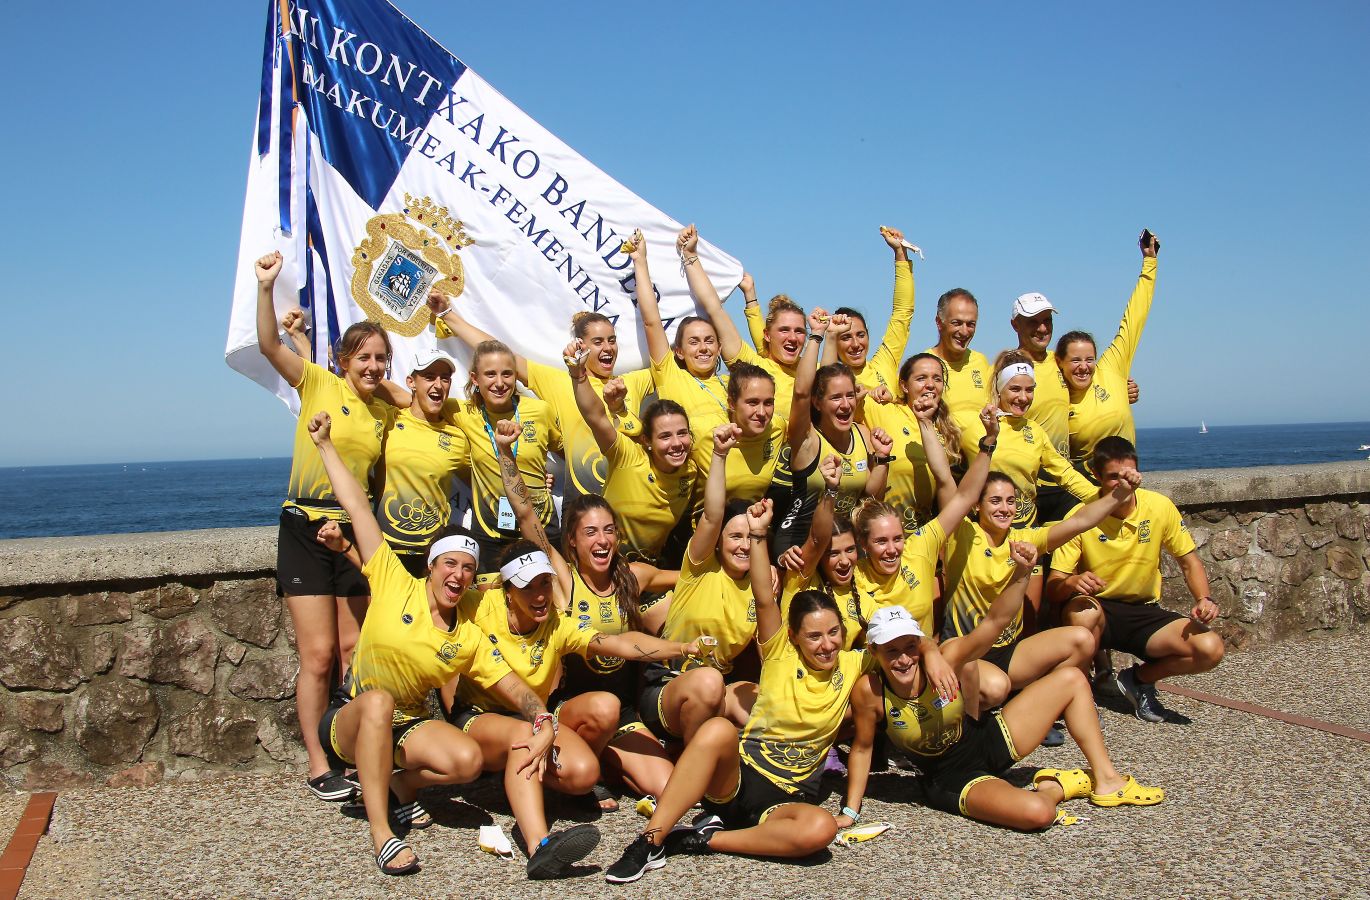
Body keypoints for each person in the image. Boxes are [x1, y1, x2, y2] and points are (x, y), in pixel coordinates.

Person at [305, 412, 561, 877]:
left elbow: (511, 684)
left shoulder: (467, 633)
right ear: (430, 565)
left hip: (407, 725)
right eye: (449, 564)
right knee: (379, 702)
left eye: (467, 567)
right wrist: (325, 445)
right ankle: (383, 833)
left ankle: (395, 785)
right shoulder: (391, 580)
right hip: (352, 718)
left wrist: (541, 716)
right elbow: (359, 510)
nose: (458, 575)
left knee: (468, 760)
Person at [602, 498, 877, 882]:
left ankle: (706, 840)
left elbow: (906, 651)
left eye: (833, 633)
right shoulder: (780, 651)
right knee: (718, 730)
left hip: (786, 800)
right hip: (740, 779)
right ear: (794, 636)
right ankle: (650, 842)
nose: (826, 644)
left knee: (821, 831)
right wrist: (760, 534)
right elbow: (765, 596)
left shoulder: (854, 664)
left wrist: (929, 650)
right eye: (814, 636)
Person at [450, 541, 702, 874]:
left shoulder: (557, 622)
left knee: (584, 773)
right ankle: (540, 846)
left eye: (545, 582)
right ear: (508, 589)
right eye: (527, 585)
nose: (540, 594)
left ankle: (524, 783)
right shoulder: (480, 605)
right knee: (526, 732)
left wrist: (681, 647)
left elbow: (617, 643)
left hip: (532, 714)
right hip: (481, 716)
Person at [846, 573, 1163, 832]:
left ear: (919, 644)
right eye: (891, 651)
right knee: (1039, 813)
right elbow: (862, 748)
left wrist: (1023, 572)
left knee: (1072, 680)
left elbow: (994, 623)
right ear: (874, 652)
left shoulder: (941, 662)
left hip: (987, 737)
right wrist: (850, 811)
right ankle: (1055, 785)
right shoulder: (870, 692)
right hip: (953, 779)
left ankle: (1107, 780)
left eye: (910, 647)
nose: (903, 659)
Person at [254, 250, 394, 802]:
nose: (374, 367)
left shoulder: (384, 410)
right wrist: (266, 289)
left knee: (356, 648)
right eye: (364, 357)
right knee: (316, 656)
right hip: (304, 528)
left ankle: (356, 748)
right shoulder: (317, 382)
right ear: (344, 360)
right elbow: (269, 346)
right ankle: (318, 761)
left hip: (354, 534)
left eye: (382, 359)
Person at [491, 418, 678, 807]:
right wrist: (506, 453)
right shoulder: (563, 580)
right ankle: (586, 768)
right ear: (572, 541)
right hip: (577, 711)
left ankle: (608, 758)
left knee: (668, 788)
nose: (602, 540)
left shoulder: (633, 576)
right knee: (602, 709)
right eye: (591, 532)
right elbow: (526, 515)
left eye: (609, 530)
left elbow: (691, 577)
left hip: (622, 713)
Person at [1048, 436, 1225, 722]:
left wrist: (1203, 599)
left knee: (1210, 648)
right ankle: (1079, 696)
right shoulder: (1081, 515)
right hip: (1098, 608)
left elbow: (1189, 562)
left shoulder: (1159, 506)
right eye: (1113, 477)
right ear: (1096, 476)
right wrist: (1072, 583)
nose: (1122, 484)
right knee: (1082, 614)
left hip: (1144, 610)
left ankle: (1139, 679)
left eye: (1128, 475)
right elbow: (1055, 586)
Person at [941, 466, 1143, 713]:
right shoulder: (961, 533)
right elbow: (944, 479)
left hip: (1008, 651)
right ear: (976, 506)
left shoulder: (1024, 537)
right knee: (996, 688)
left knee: (1081, 640)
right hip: (966, 651)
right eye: (995, 501)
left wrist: (1119, 494)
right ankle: (969, 724)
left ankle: (1037, 710)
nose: (1004, 508)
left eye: (1010, 501)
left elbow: (1080, 522)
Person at [428, 291, 652, 499]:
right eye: (598, 342)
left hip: (633, 496)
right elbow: (499, 352)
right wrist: (448, 315)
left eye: (611, 340)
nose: (608, 348)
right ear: (580, 345)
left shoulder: (632, 382)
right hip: (583, 504)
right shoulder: (561, 382)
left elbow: (662, 352)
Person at [641, 425, 774, 741]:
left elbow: (769, 655)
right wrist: (719, 453)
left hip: (719, 688)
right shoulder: (700, 566)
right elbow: (713, 516)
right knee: (709, 683)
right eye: (735, 536)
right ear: (718, 542)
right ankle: (694, 765)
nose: (743, 545)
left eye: (750, 536)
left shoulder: (761, 588)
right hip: (669, 683)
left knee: (770, 709)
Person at [851, 403, 1000, 637]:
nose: (892, 549)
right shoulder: (852, 576)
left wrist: (989, 441)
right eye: (881, 541)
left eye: (898, 539)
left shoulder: (919, 547)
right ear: (862, 543)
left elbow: (964, 496)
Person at [1009, 290, 1142, 521]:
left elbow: (1086, 389)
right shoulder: (1008, 368)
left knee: (1070, 547)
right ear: (1015, 325)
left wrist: (1122, 391)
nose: (1042, 328)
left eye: (1047, 321)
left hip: (1065, 481)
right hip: (1026, 484)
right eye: (1033, 322)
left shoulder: (1059, 361)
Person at [565, 338, 698, 563]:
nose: (676, 443)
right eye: (665, 436)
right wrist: (578, 374)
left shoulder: (692, 469)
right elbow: (595, 417)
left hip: (650, 570)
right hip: (603, 567)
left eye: (682, 433)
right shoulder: (628, 456)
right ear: (647, 440)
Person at [773, 308, 894, 556]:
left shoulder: (862, 433)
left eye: (850, 395)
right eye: (836, 397)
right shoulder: (807, 438)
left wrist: (882, 460)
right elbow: (803, 392)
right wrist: (817, 336)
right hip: (797, 548)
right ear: (818, 403)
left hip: (842, 550)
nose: (846, 404)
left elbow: (872, 495)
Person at [678, 225, 805, 422]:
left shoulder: (814, 370)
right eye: (784, 330)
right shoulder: (754, 367)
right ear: (767, 335)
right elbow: (714, 308)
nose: (792, 337)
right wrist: (690, 255)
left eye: (799, 331)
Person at [956, 351, 1097, 528]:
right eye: (1015, 389)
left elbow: (1066, 475)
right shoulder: (971, 423)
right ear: (999, 389)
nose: (1023, 397)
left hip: (1026, 532)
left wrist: (1103, 498)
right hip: (981, 533)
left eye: (1029, 390)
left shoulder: (1035, 431)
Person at [1059, 230, 1160, 475]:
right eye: (1075, 360)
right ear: (1059, 362)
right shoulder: (1056, 395)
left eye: (1089, 359)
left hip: (1127, 479)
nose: (1083, 366)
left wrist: (1149, 262)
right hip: (1086, 487)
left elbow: (1134, 318)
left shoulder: (1111, 370)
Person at [371, 349, 469, 576]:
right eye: (429, 376)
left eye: (444, 378)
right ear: (411, 382)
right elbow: (355, 381)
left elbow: (483, 481)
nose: (438, 384)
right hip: (386, 550)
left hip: (432, 555)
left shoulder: (457, 438)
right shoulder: (388, 419)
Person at [625, 229, 731, 436]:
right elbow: (652, 322)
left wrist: (691, 254)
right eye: (693, 342)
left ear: (719, 348)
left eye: (709, 341)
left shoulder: (733, 385)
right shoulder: (670, 375)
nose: (703, 348)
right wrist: (640, 261)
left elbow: (715, 307)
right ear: (679, 352)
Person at [862, 352, 962, 533]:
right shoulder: (883, 410)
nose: (930, 385)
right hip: (880, 538)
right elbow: (840, 394)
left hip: (922, 539)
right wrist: (872, 391)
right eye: (921, 378)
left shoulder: (948, 428)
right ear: (904, 385)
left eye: (937, 379)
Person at [820, 226, 916, 393]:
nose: (856, 344)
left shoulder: (884, 363)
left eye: (860, 335)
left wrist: (900, 254)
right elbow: (825, 388)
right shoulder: (829, 377)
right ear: (834, 344)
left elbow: (902, 312)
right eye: (846, 338)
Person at [923, 287, 992, 438]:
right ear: (939, 323)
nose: (964, 331)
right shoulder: (923, 365)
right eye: (957, 323)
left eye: (971, 324)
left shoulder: (980, 361)